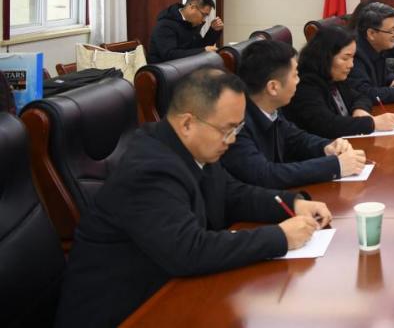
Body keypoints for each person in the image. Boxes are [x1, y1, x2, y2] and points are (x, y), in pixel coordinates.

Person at [54, 69, 332, 328]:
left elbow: (232, 194)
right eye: (227, 130)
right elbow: (189, 251)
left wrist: (293, 203)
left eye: (237, 129)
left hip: (166, 292)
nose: (232, 140)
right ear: (187, 123)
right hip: (124, 313)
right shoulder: (149, 170)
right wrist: (280, 237)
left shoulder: (192, 148)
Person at [221, 39, 368, 188]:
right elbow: (265, 174)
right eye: (295, 75)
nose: (299, 81)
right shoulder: (235, 123)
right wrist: (335, 166)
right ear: (273, 87)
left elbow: (295, 139)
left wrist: (327, 146)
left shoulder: (271, 107)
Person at [283, 25, 394, 138]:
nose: (351, 65)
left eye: (352, 57)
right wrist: (372, 123)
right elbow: (327, 125)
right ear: (325, 57)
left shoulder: (334, 76)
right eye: (345, 58)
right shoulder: (305, 85)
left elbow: (361, 97)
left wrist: (359, 109)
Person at [149, 0, 224, 63]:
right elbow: (169, 55)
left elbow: (198, 47)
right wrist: (203, 51)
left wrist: (213, 31)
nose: (204, 19)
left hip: (185, 66)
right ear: (192, 7)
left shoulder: (190, 23)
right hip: (164, 69)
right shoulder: (165, 25)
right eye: (203, 15)